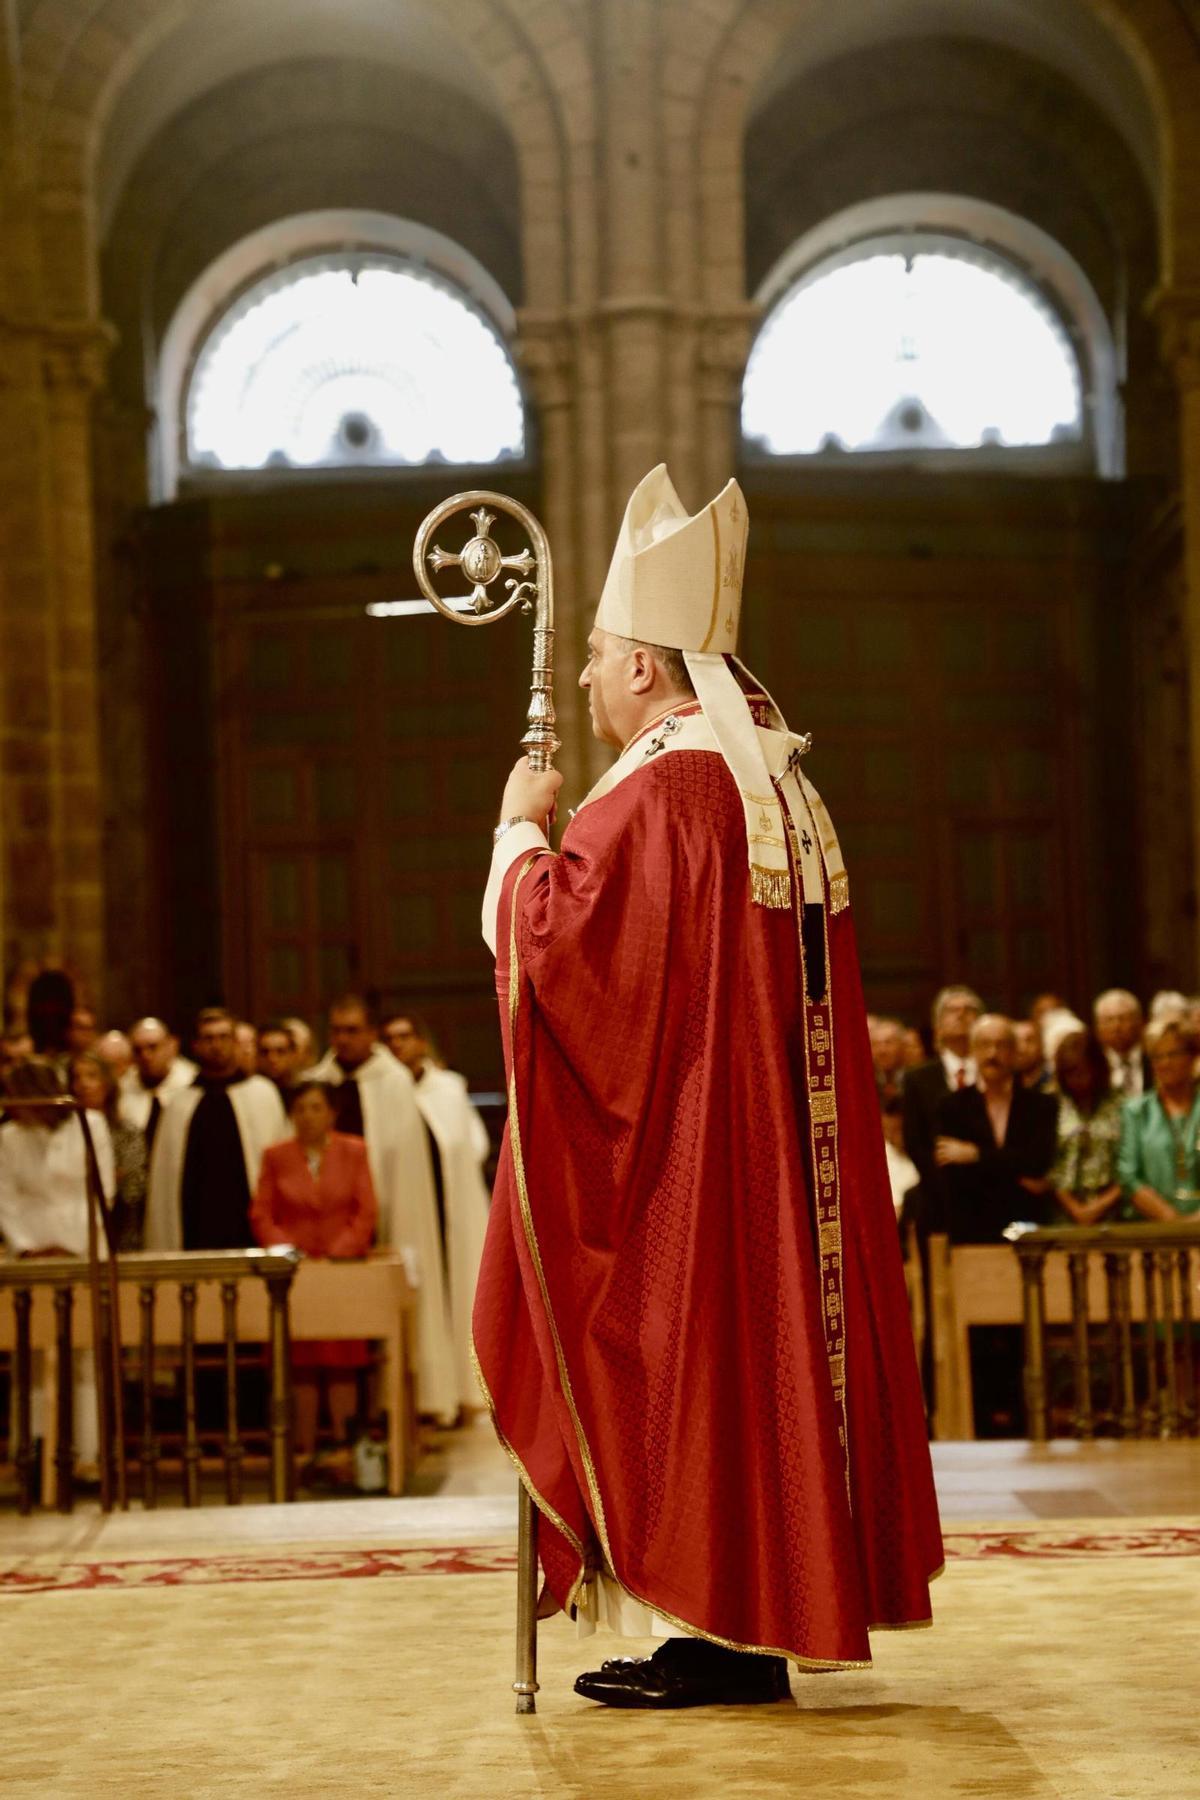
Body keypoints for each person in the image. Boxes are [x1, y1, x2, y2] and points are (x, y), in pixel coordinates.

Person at [475, 465, 940, 1707]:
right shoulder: (764, 777)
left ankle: (729, 1629)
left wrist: (524, 832)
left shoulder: (667, 790)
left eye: (592, 656)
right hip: (771, 1149)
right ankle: (736, 1627)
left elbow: (565, 952)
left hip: (695, 1149)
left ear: (641, 665)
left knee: (685, 1349)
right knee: (754, 1365)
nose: (579, 678)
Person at [307, 996, 456, 1423]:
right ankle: (337, 1418)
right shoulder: (320, 1080)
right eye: (337, 1030)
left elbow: (402, 1166)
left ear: (372, 1034)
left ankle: (390, 1407)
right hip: (331, 1229)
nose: (343, 1039)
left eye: (353, 1030)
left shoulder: (393, 1083)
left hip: (383, 1223)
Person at [252, 1081, 377, 1478]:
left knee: (342, 1359)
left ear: (331, 1113)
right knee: (301, 1361)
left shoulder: (353, 1151)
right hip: (295, 1275)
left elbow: (365, 1210)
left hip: (341, 1273)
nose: (309, 1116)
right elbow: (262, 1214)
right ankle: (302, 1452)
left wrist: (340, 1251)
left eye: (316, 1107)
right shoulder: (276, 1156)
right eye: (301, 1108)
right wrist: (292, 1254)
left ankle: (344, 1449)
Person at [0, 1058, 115, 1472]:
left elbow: (103, 1190)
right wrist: (30, 1247)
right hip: (30, 1255)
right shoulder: (9, 1138)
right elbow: (5, 1198)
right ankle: (34, 1453)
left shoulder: (91, 1126)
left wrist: (70, 1246)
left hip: (81, 1250)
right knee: (29, 1354)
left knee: (83, 1353)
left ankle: (87, 1455)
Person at [382, 1011, 492, 1410]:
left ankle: (465, 1389)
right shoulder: (383, 1091)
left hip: (451, 1208)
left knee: (460, 1290)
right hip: (411, 1215)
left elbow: (471, 1144)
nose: (397, 1045)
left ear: (421, 1042)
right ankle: (427, 1396)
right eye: (390, 1038)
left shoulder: (448, 1087)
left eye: (405, 1036)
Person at [143, 1008, 288, 1249]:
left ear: (235, 1043)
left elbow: (282, 1167)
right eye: (208, 1039)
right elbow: (164, 1184)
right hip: (197, 1225)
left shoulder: (262, 1094)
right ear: (197, 1046)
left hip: (250, 1224)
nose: (216, 1046)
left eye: (223, 1037)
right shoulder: (179, 1104)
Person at [935, 1015, 1058, 1243]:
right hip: (972, 1227)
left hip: (1029, 1225)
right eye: (984, 1045)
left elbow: (1037, 1163)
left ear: (1014, 1052)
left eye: (1001, 1045)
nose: (992, 1054)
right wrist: (1016, 1171)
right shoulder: (951, 1106)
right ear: (973, 1051)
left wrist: (976, 1155)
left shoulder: (1041, 1105)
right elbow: (955, 1176)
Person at [1118, 1019, 1200, 1220]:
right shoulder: (1136, 1110)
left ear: (1193, 1057)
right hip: (1152, 1231)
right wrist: (1172, 1220)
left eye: (1173, 1054)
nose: (1164, 1063)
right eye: (1157, 1056)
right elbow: (1129, 1176)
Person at [70, 1049, 147, 1249]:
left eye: (91, 1076)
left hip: (120, 1228)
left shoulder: (126, 1131)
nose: (83, 1084)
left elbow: (132, 1186)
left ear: (106, 1083)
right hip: (72, 1227)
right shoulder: (63, 1134)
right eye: (76, 1077)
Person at [1048, 1030, 1123, 1225]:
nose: (1077, 1080)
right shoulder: (1050, 1104)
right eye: (1069, 1074)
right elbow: (1048, 1164)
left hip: (1115, 1209)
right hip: (1062, 1211)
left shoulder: (1121, 1104)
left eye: (1083, 1072)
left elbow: (1131, 1162)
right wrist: (1076, 1208)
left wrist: (1100, 1205)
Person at [119, 1017, 197, 1147]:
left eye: (153, 1047)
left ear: (172, 1046)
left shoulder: (192, 1084)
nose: (145, 1056)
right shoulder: (121, 1089)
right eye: (138, 1050)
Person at [1093, 989, 1149, 1097]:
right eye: (1109, 1020)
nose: (1116, 1026)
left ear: (1139, 1022)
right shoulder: (1094, 1067)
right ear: (1097, 1028)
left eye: (1123, 1018)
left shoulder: (1154, 1058)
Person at [257, 1019, 302, 1099]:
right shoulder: (248, 1093)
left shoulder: (302, 1094)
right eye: (265, 1052)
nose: (272, 1058)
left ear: (293, 1055)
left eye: (280, 1051)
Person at [871, 1016, 908, 1105]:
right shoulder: (864, 1084)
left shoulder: (918, 1081)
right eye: (875, 1044)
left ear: (902, 1046)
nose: (882, 1050)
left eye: (888, 1043)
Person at [1013, 1019, 1051, 1092]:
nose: (1022, 1048)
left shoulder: (1053, 1082)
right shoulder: (1007, 1083)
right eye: (1017, 1041)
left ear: (1041, 1045)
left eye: (1029, 1040)